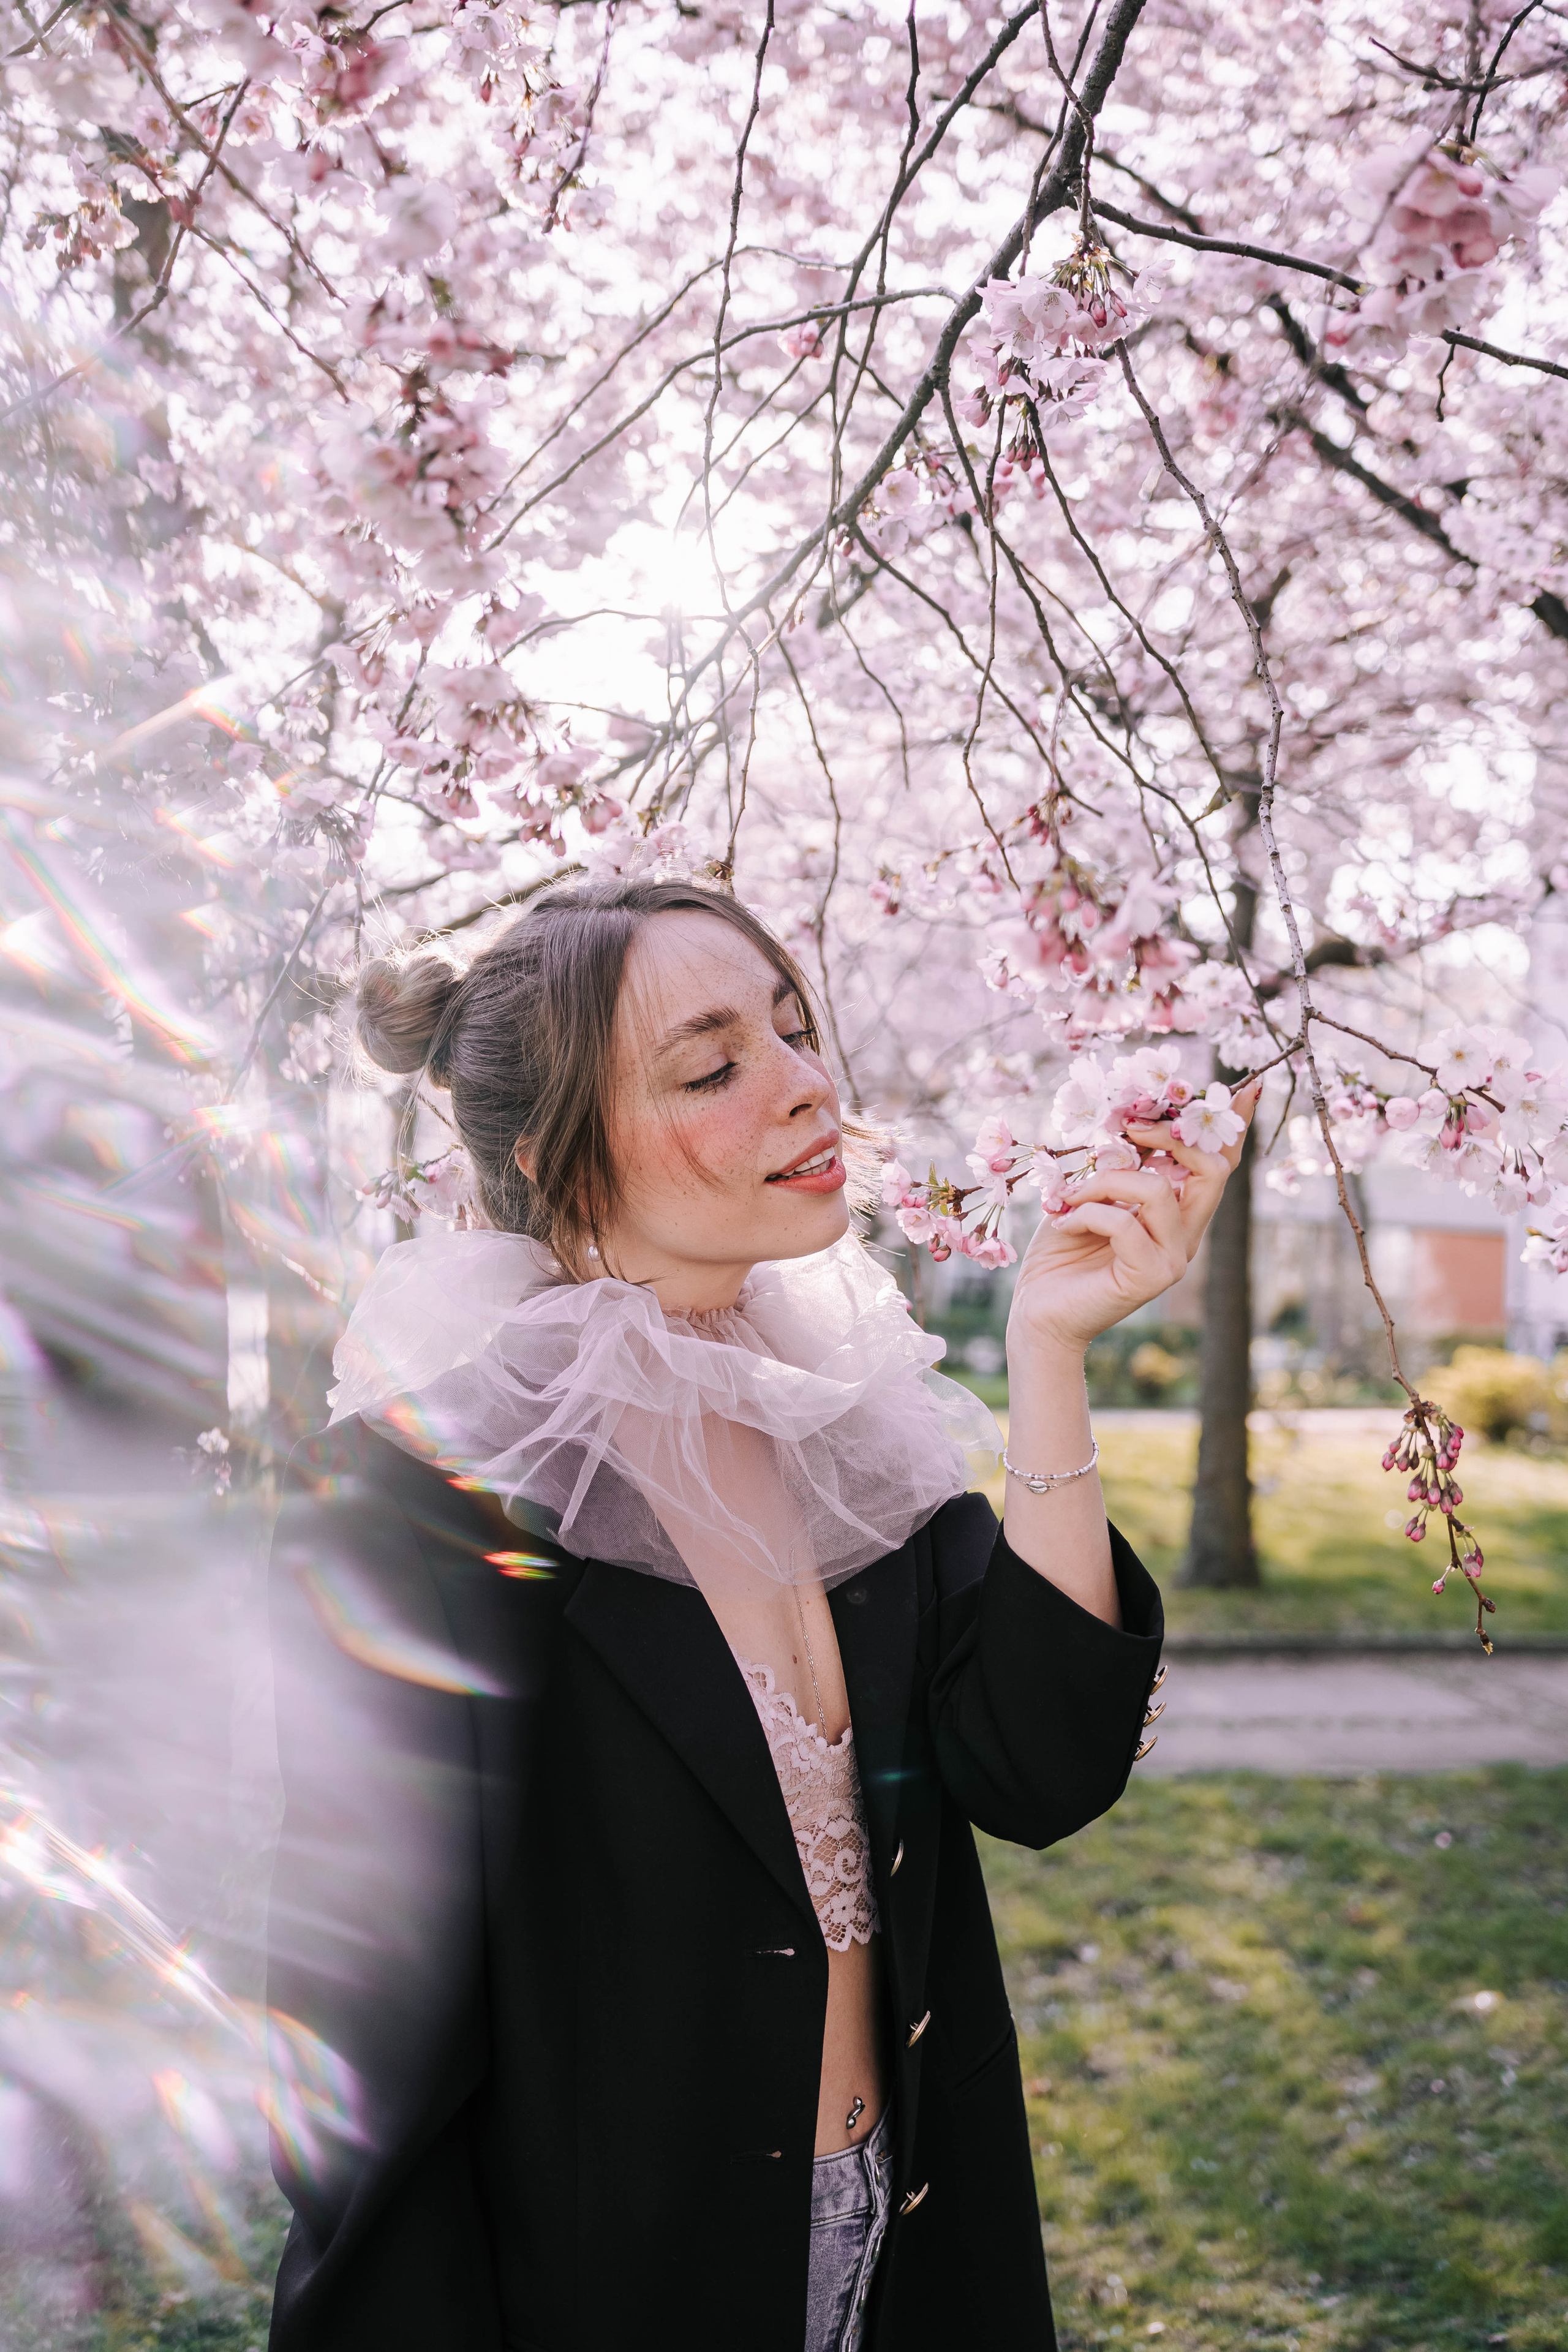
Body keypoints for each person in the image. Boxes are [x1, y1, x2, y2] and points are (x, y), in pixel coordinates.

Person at [264, 876, 1255, 2352]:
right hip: (612, 2275)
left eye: (792, 1031)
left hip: (918, 2222)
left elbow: (1037, 1771)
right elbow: (370, 2056)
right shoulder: (440, 1490)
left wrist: (1051, 1347)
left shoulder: (847, 1420)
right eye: (713, 1065)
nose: (804, 1086)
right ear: (551, 1151)